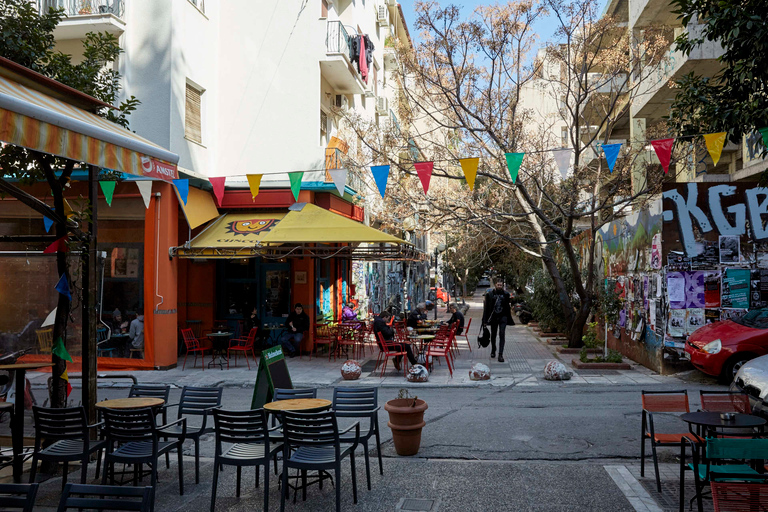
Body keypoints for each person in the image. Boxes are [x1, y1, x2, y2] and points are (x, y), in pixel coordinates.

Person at [482, 278, 513, 362]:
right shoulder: (490, 294)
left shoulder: (506, 294)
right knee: (493, 335)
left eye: (501, 285)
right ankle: (493, 350)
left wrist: (508, 318)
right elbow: (486, 308)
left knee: (502, 334)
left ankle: (500, 354)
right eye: (498, 285)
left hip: (503, 317)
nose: (499, 286)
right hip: (494, 318)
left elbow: (508, 307)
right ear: (495, 285)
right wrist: (484, 321)